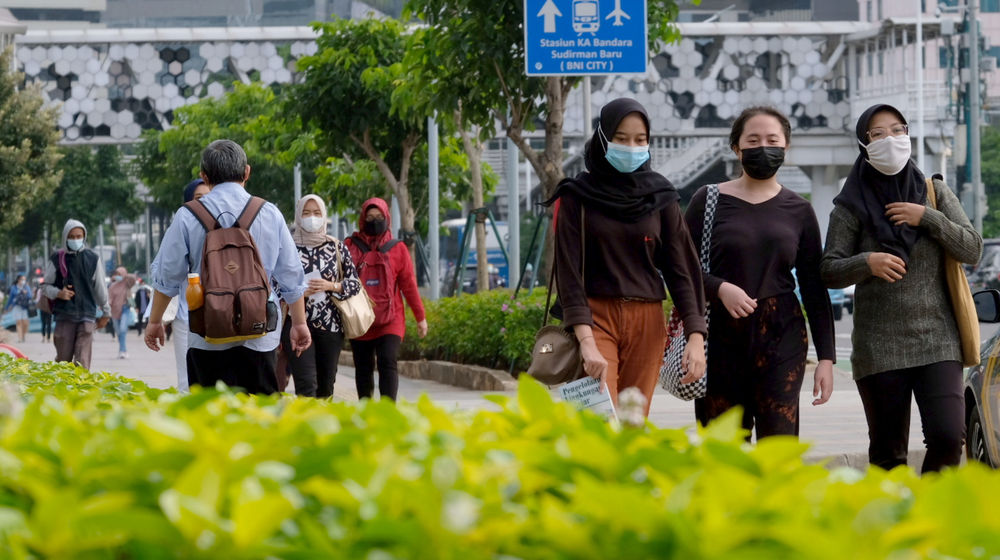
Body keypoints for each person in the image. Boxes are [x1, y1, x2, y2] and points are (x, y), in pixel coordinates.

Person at [821, 104, 982, 473]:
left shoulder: (934, 191)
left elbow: (972, 248)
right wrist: (867, 262)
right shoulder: (850, 206)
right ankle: (895, 511)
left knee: (947, 437)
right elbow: (828, 270)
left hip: (938, 340)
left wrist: (927, 217)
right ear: (864, 144)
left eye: (897, 130)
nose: (890, 140)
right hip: (879, 346)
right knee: (888, 454)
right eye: (878, 134)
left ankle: (929, 507)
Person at [544, 97, 707, 416]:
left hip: (647, 321)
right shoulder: (576, 196)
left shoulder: (661, 196)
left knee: (633, 423)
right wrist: (586, 341)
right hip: (593, 319)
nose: (631, 147)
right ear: (603, 138)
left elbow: (682, 269)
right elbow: (568, 273)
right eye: (621, 138)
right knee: (598, 420)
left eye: (640, 140)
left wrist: (696, 335)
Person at [685, 106, 835, 440]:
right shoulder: (707, 200)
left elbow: (813, 286)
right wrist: (719, 288)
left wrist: (826, 358)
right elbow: (682, 269)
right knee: (723, 449)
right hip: (719, 338)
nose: (763, 147)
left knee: (778, 446)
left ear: (786, 147)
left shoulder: (799, 210)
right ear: (736, 148)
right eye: (753, 140)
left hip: (782, 336)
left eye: (772, 140)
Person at [144, 140, 310, 394]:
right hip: (259, 335)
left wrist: (155, 321)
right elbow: (291, 276)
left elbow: (168, 276)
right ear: (247, 172)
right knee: (259, 412)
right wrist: (299, 323)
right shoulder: (269, 213)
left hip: (207, 335)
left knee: (210, 412)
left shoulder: (187, 215)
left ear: (204, 176)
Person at [344, 197, 428, 400]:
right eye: (370, 217)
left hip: (391, 318)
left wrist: (421, 317)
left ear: (387, 218)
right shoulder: (349, 246)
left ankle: (387, 410)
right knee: (363, 366)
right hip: (361, 318)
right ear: (362, 219)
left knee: (388, 360)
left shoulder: (398, 248)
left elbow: (409, 285)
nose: (374, 221)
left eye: (379, 217)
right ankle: (367, 410)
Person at [281, 194, 362, 397]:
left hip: (330, 326)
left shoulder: (336, 247)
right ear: (298, 216)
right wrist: (297, 292)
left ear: (324, 215)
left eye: (317, 213)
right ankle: (307, 418)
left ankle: (323, 418)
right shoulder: (287, 247)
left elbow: (355, 284)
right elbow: (273, 284)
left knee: (326, 387)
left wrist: (331, 285)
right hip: (296, 323)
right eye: (307, 213)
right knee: (306, 384)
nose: (312, 218)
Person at [42, 219, 111, 369]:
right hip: (64, 316)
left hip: (87, 316)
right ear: (65, 237)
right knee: (63, 363)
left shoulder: (93, 259)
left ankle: (81, 384)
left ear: (84, 236)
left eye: (79, 236)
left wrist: (106, 312)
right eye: (71, 237)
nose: (75, 239)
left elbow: (100, 288)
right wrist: (59, 293)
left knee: (82, 362)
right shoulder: (57, 258)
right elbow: (45, 286)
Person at [107, 266, 137, 358]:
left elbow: (134, 278)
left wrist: (125, 275)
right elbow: (110, 299)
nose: (118, 276)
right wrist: (106, 307)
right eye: (116, 274)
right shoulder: (112, 286)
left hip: (125, 309)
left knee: (123, 329)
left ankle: (122, 351)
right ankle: (123, 350)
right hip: (115, 311)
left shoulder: (127, 283)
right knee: (119, 332)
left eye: (119, 274)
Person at [4, 275, 33, 343]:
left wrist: (26, 292)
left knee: (25, 323)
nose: (23, 281)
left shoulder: (26, 287)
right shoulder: (14, 288)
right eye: (22, 279)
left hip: (25, 307)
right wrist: (6, 307)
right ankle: (20, 338)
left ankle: (23, 335)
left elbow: (30, 296)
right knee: (19, 322)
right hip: (16, 307)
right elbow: (10, 298)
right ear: (18, 280)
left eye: (24, 280)